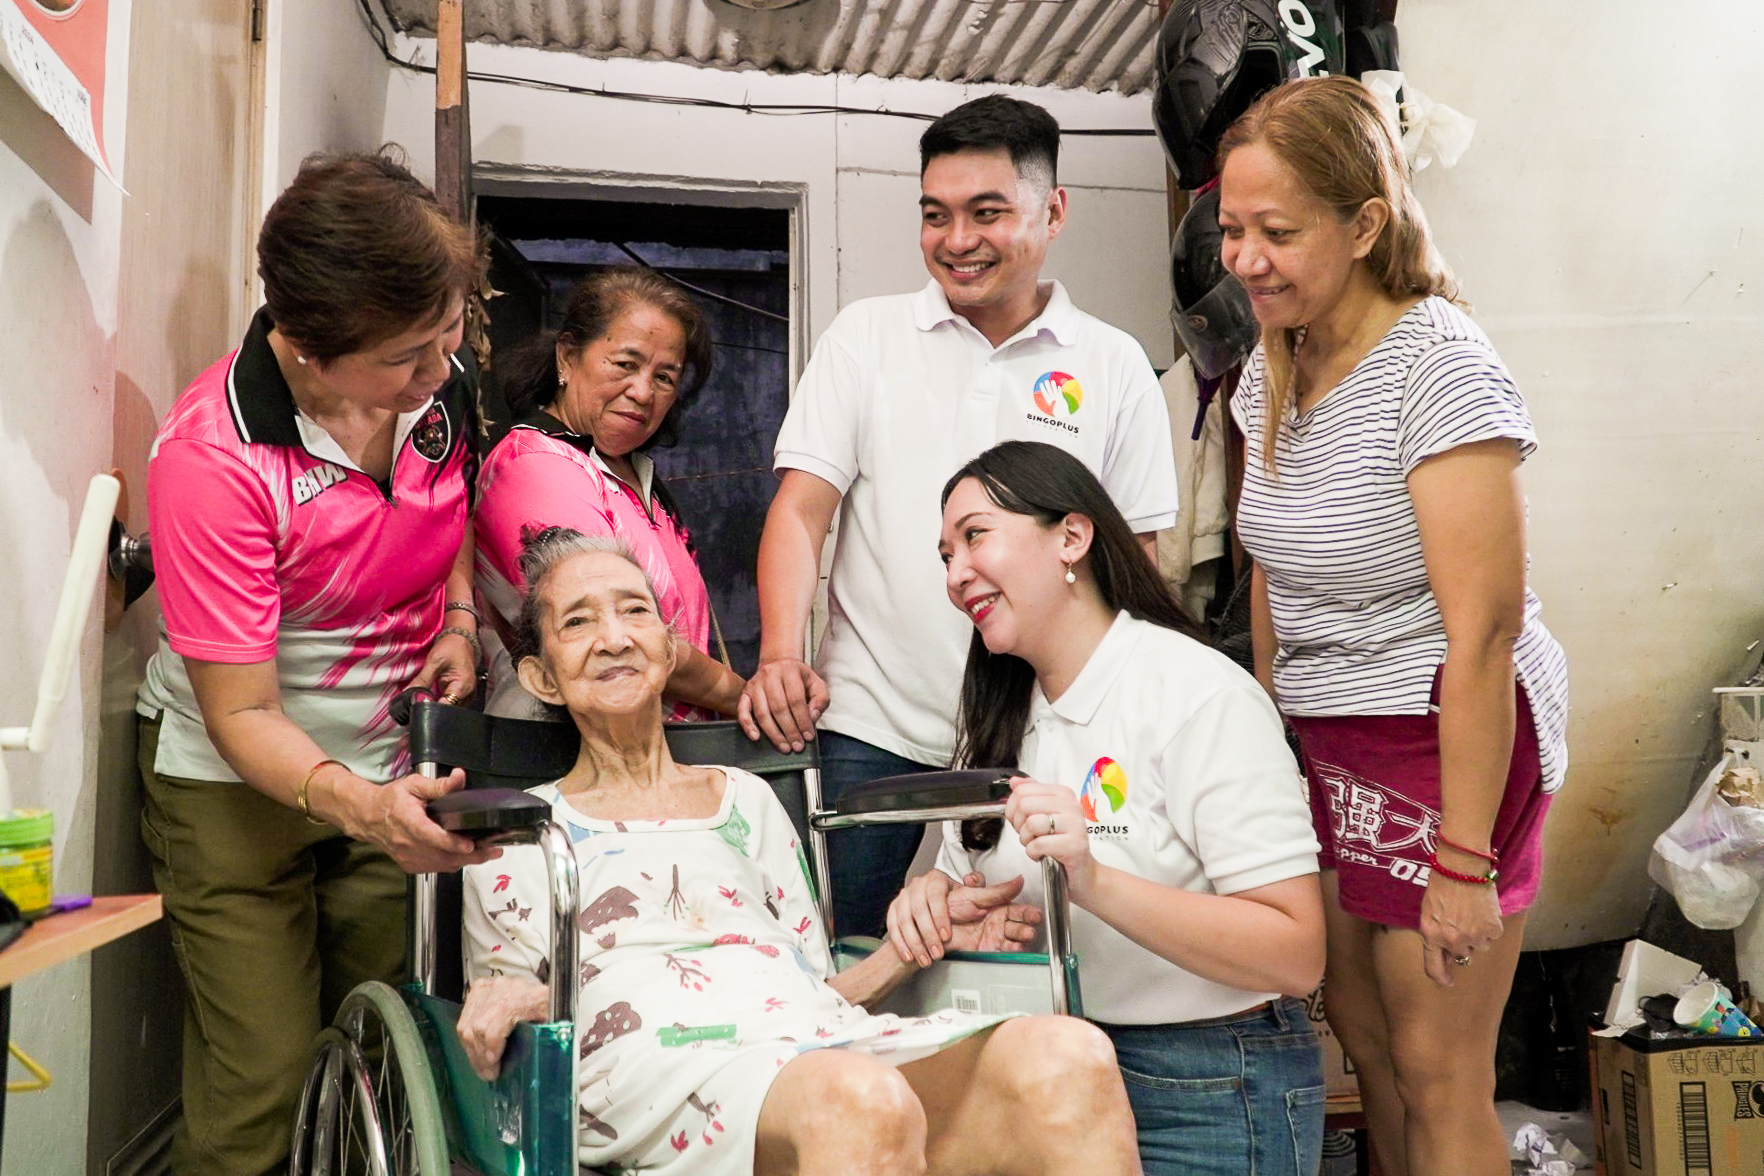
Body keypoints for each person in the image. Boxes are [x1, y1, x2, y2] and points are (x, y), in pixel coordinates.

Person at [458, 527, 1144, 1176]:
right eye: (578, 622)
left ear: (668, 650)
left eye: (634, 611)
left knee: (1070, 1056)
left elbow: (816, 991)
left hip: (812, 1049)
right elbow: (512, 1033)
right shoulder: (522, 834)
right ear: (542, 677)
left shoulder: (746, 799)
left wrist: (912, 948)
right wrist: (512, 1002)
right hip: (655, 1076)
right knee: (856, 1096)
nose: (613, 638)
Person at [1216, 77, 1569, 1176]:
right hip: (1330, 736)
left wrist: (1464, 859)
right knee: (1368, 1051)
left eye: (1278, 233)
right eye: (1231, 230)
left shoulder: (1438, 366)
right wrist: (1270, 733)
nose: (1246, 259)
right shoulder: (1272, 363)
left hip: (1442, 732)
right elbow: (1271, 566)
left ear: (1366, 223)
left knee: (1436, 1070)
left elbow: (1485, 634)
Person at [135, 148, 500, 1176]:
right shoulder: (216, 459)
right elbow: (242, 714)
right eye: (406, 357)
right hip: (235, 785)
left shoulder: (438, 388)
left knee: (377, 1054)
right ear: (306, 345)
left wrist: (458, 619)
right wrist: (362, 807)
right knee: (263, 1084)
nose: (438, 373)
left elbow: (449, 508)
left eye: (448, 334)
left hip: (388, 764)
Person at [741, 94, 1179, 938]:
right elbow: (800, 511)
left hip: (1042, 727)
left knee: (1023, 951)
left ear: (1053, 212)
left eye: (987, 212)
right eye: (935, 215)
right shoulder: (866, 337)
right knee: (830, 950)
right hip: (868, 721)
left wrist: (1127, 712)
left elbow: (1136, 560)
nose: (957, 239)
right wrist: (779, 657)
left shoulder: (1113, 363)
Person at [886, 440, 1326, 1175]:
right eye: (945, 556)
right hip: (1045, 1070)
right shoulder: (998, 716)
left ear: (1072, 536)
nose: (956, 574)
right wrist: (942, 910)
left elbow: (1296, 952)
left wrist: (1092, 881)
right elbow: (986, 902)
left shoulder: (1197, 693)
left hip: (1209, 1084)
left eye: (974, 536)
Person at [475, 267, 744, 722]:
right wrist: (747, 698)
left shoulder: (637, 480)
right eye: (625, 364)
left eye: (665, 377)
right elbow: (618, 633)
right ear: (567, 357)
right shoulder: (535, 463)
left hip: (656, 751)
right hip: (565, 751)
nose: (642, 392)